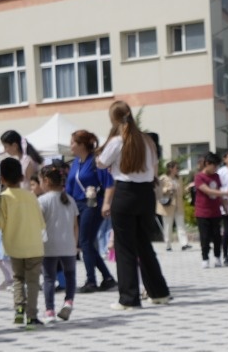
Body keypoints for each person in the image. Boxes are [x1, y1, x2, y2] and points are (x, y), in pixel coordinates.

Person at [96, 101, 172, 310]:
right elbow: (155, 166)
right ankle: (159, 292)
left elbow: (100, 162)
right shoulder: (147, 140)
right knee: (144, 244)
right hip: (146, 194)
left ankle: (129, 298)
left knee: (125, 247)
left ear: (114, 119)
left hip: (125, 192)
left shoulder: (117, 141)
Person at [0, 157, 46, 329]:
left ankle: (18, 309)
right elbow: (41, 223)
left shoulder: (3, 198)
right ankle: (32, 317)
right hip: (34, 246)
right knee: (32, 282)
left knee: (17, 279)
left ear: (1, 178)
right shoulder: (31, 196)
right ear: (22, 177)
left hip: (14, 247)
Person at [66, 130, 116, 294]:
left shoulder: (96, 161)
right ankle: (107, 278)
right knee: (86, 243)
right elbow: (70, 188)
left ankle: (91, 281)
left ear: (81, 145)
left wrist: (106, 204)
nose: (70, 145)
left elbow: (109, 183)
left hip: (93, 205)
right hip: (78, 205)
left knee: (85, 241)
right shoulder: (75, 163)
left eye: (73, 142)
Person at [38, 164, 80, 324]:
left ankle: (49, 311)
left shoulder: (42, 200)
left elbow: (38, 224)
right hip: (69, 244)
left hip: (48, 245)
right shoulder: (70, 199)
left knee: (49, 278)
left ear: (46, 181)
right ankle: (69, 302)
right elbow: (76, 225)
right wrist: (75, 244)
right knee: (70, 275)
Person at [193, 152, 228, 268]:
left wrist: (225, 206)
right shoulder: (199, 177)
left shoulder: (216, 176)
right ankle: (205, 258)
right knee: (205, 237)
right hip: (202, 212)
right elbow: (207, 190)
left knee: (217, 236)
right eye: (214, 166)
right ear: (207, 164)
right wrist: (226, 192)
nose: (216, 168)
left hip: (215, 212)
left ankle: (218, 257)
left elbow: (218, 193)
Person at [156, 159, 190, 250]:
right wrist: (167, 189)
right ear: (170, 169)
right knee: (167, 226)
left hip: (178, 205)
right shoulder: (163, 178)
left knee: (181, 224)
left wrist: (186, 190)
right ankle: (168, 244)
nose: (178, 169)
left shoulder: (179, 179)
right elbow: (158, 191)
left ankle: (184, 244)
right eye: (176, 168)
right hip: (167, 205)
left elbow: (181, 191)